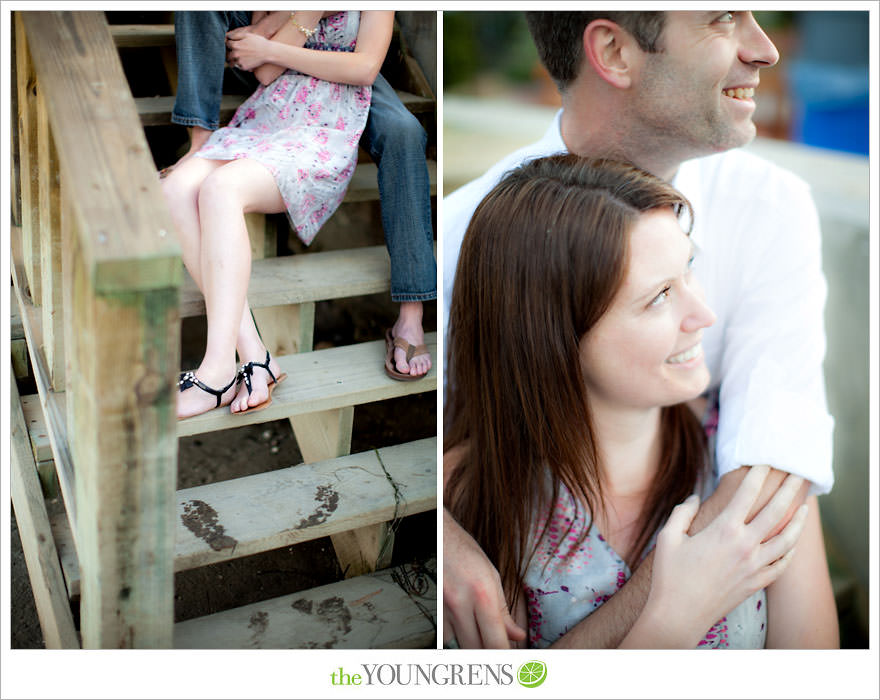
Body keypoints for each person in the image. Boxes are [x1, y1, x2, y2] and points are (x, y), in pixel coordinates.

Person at [443, 11, 835, 648]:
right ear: (614, 52)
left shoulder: (772, 206)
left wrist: (666, 608)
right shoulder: (464, 240)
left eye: (692, 269)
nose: (765, 50)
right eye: (722, 20)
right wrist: (442, 533)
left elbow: (777, 453)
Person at [167, 10, 435, 387]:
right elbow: (262, 67)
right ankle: (200, 140)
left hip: (349, 74)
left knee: (404, 133)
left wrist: (277, 38)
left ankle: (411, 314)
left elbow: (363, 68)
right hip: (287, 86)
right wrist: (283, 27)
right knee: (195, 189)